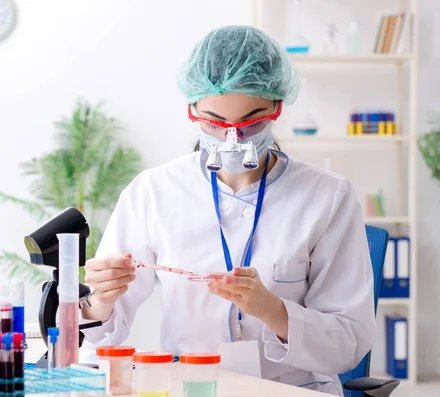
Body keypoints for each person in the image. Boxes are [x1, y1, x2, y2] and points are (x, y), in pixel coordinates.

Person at [81, 25, 376, 395]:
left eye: (251, 121)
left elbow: (350, 342)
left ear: (277, 108)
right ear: (192, 111)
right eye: (214, 122)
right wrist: (99, 302)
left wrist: (273, 310)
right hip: (190, 386)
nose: (233, 137)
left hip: (292, 388)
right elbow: (97, 340)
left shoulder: (327, 197)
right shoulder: (153, 192)